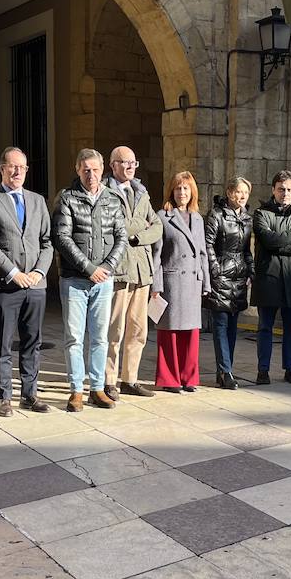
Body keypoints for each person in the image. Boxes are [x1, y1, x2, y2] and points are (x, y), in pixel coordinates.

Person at [0, 147, 53, 417]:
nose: (18, 171)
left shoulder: (38, 200)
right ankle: (4, 397)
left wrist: (39, 272)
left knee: (32, 341)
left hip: (35, 284)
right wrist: (12, 272)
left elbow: (47, 242)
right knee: (4, 343)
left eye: (22, 167)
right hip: (5, 284)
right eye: (12, 166)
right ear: (2, 169)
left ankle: (29, 395)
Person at [54, 149, 127, 411]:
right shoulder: (67, 198)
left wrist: (106, 268)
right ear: (77, 170)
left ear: (103, 169)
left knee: (100, 338)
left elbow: (121, 237)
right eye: (86, 169)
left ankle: (97, 388)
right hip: (74, 279)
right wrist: (88, 268)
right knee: (74, 337)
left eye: (95, 169)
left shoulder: (112, 199)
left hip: (103, 280)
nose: (91, 174)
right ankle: (76, 390)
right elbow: (62, 238)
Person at [103, 146, 162, 399]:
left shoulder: (141, 192)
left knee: (138, 329)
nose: (130, 167)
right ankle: (108, 381)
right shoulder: (105, 192)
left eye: (133, 163)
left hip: (142, 270)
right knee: (114, 329)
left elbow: (157, 225)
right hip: (119, 269)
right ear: (112, 165)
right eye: (124, 162)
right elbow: (113, 226)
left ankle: (130, 379)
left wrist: (138, 237)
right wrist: (139, 226)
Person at [252, 169, 291, 385]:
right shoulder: (261, 214)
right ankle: (263, 370)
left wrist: (280, 245)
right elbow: (268, 240)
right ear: (273, 190)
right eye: (281, 189)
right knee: (265, 327)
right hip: (269, 278)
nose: (285, 193)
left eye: (289, 189)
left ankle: (290, 368)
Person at [151, 172, 211, 392]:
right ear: (171, 191)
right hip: (172, 283)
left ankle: (189, 377)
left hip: (193, 282)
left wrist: (206, 282)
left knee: (191, 333)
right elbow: (156, 255)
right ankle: (169, 379)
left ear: (192, 192)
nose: (182, 193)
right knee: (170, 332)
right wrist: (156, 285)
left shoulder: (198, 218)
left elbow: (202, 253)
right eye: (178, 188)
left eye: (186, 188)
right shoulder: (162, 216)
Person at [204, 176, 253, 388]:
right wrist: (215, 270)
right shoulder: (216, 214)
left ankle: (225, 370)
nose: (242, 196)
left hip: (239, 276)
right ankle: (225, 371)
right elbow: (208, 244)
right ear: (229, 192)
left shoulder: (247, 218)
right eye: (238, 191)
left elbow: (246, 250)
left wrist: (250, 271)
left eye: (245, 192)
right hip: (222, 275)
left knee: (233, 326)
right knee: (221, 324)